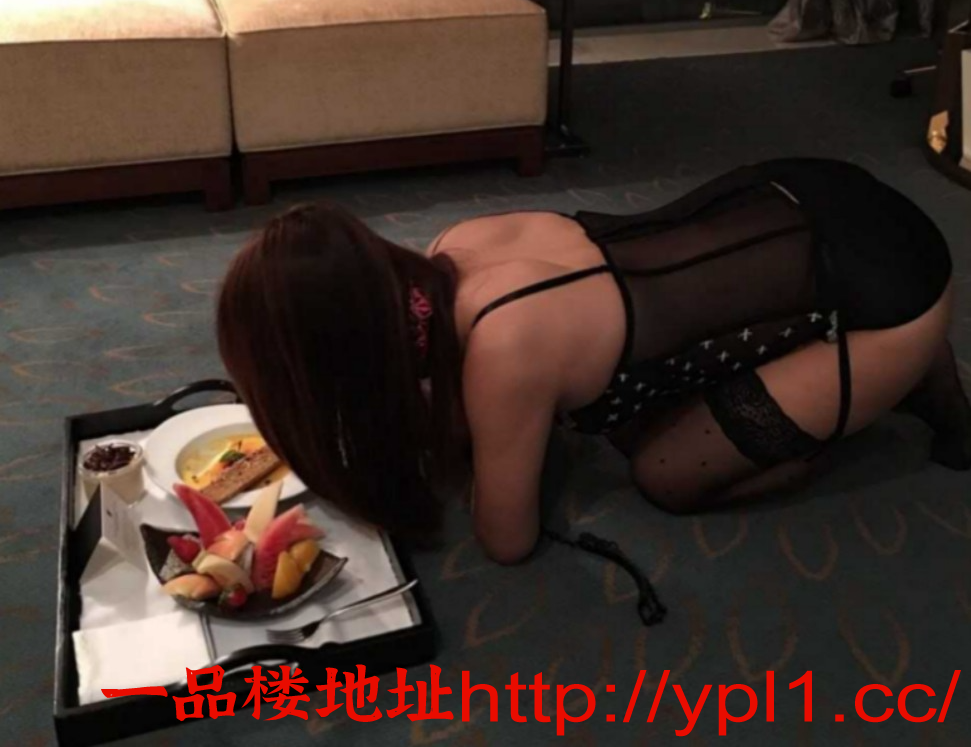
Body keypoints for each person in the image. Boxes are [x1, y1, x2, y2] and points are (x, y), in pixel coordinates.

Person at [216, 158, 971, 565]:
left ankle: (907, 368)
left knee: (668, 471)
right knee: (641, 410)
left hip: (887, 287)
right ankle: (854, 360)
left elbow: (506, 539)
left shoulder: (503, 344)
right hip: (805, 191)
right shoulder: (454, 247)